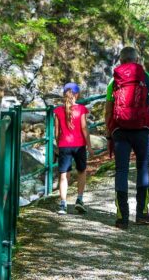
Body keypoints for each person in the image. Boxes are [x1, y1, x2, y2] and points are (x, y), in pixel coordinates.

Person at [105, 47, 149, 229]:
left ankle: (122, 217)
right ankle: (141, 214)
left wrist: (109, 135)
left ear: (120, 61)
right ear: (137, 59)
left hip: (120, 131)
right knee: (142, 168)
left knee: (121, 171)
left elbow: (107, 111)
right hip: (142, 130)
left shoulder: (114, 80)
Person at [54, 82, 94, 215]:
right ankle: (79, 199)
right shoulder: (81, 109)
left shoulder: (58, 111)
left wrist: (58, 145)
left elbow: (56, 132)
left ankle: (63, 204)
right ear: (77, 95)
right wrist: (89, 145)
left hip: (64, 145)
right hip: (79, 145)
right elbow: (83, 127)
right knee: (81, 171)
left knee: (64, 175)